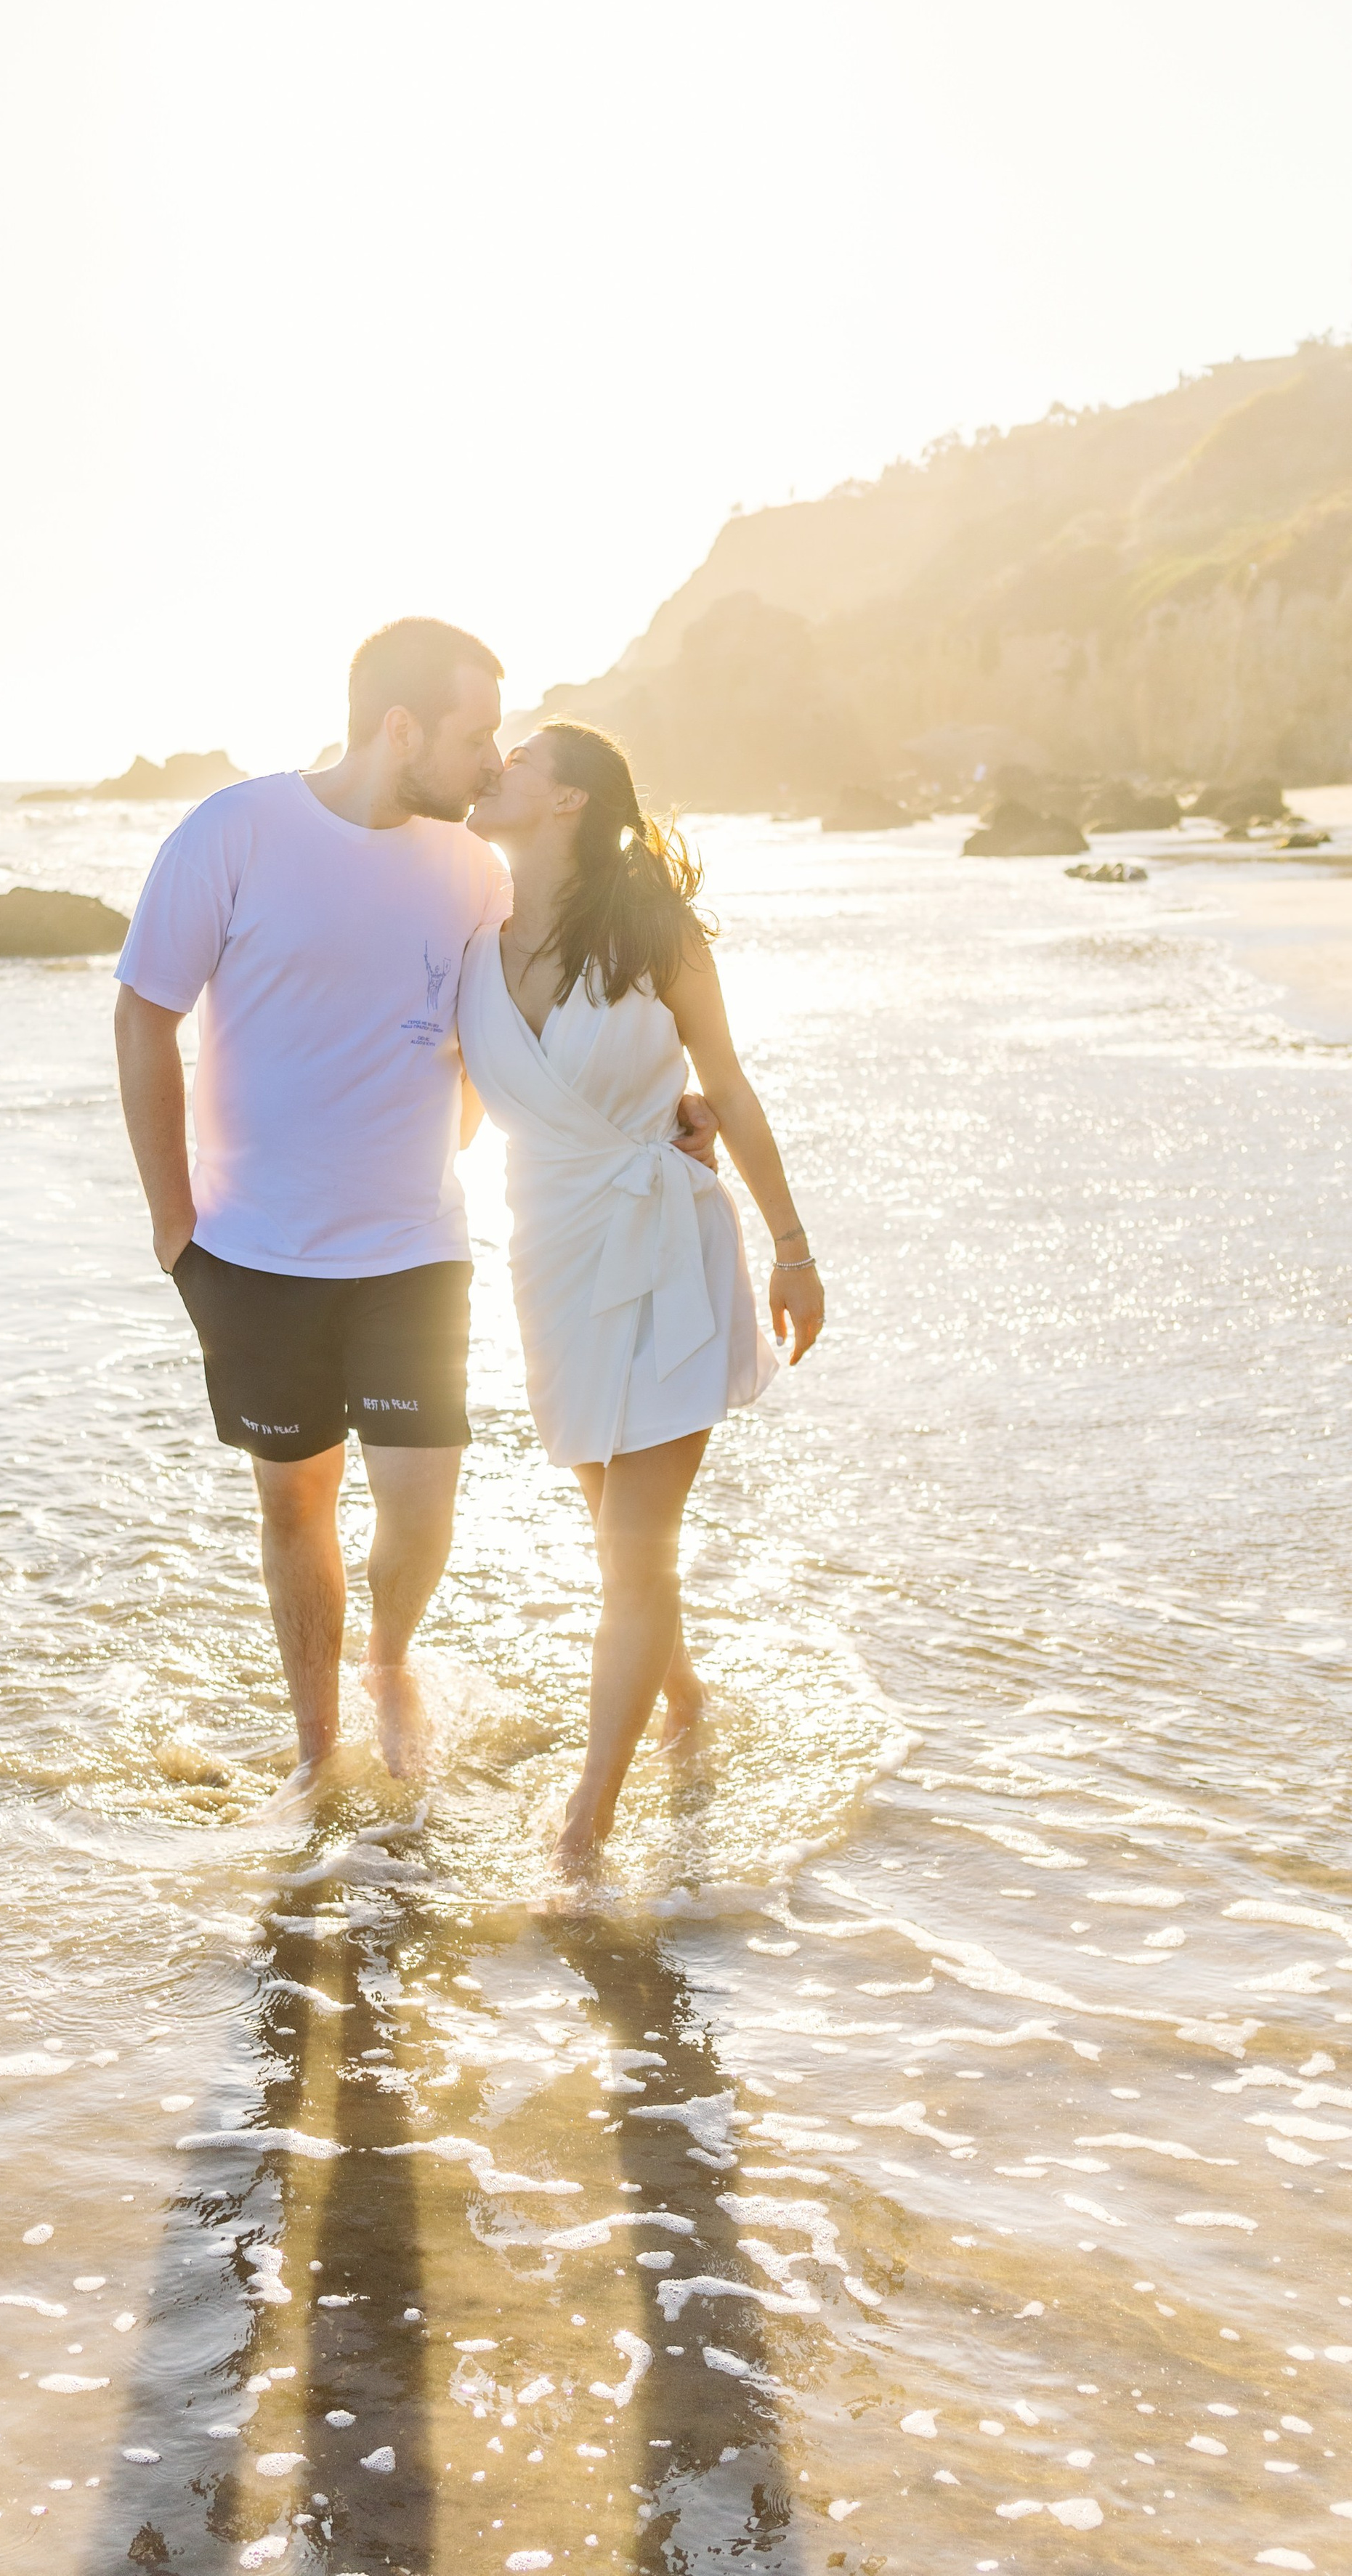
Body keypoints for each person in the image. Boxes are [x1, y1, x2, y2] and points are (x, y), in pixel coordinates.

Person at [113, 619, 718, 1789]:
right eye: (474, 734)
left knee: (422, 1512)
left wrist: (668, 1100)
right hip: (250, 1251)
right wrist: (170, 1220)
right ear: (401, 730)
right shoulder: (232, 833)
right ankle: (316, 1749)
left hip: (415, 1249)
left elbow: (554, 1007)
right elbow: (145, 1012)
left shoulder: (474, 871)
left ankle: (388, 1661)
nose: (493, 762)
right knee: (297, 1507)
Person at [458, 719, 824, 1869]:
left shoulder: (654, 932)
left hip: (668, 1248)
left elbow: (730, 1087)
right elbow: (447, 1102)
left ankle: (585, 1827)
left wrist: (795, 1247)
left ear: (568, 801)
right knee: (607, 1523)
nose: (493, 769)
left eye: (516, 758)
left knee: (635, 1545)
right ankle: (684, 1698)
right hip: (549, 1254)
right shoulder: (465, 932)